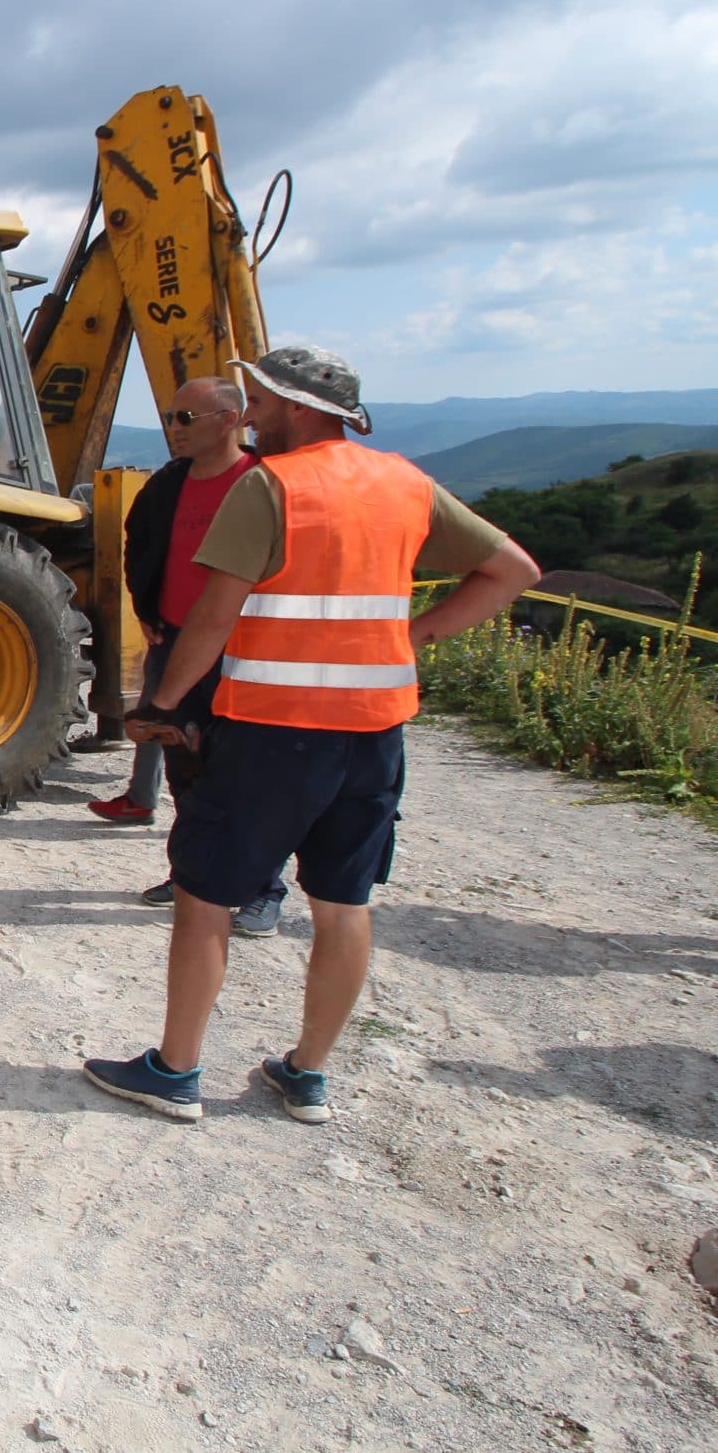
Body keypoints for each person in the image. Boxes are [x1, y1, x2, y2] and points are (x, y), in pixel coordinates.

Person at [82, 347, 538, 1125]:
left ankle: (176, 1070)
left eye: (258, 399)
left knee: (204, 899)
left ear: (296, 405)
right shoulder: (404, 481)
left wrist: (159, 704)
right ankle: (306, 1075)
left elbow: (212, 621)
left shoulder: (271, 486)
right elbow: (515, 570)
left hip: (271, 734)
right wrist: (415, 636)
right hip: (373, 735)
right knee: (342, 902)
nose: (251, 412)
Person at [88, 376, 289, 937]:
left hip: (245, 650)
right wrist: (146, 609)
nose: (172, 429)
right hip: (176, 644)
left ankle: (262, 888)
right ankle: (193, 874)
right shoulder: (168, 485)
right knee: (184, 768)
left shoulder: (263, 483)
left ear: (229, 419)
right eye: (171, 418)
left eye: (184, 419)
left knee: (249, 773)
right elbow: (140, 544)